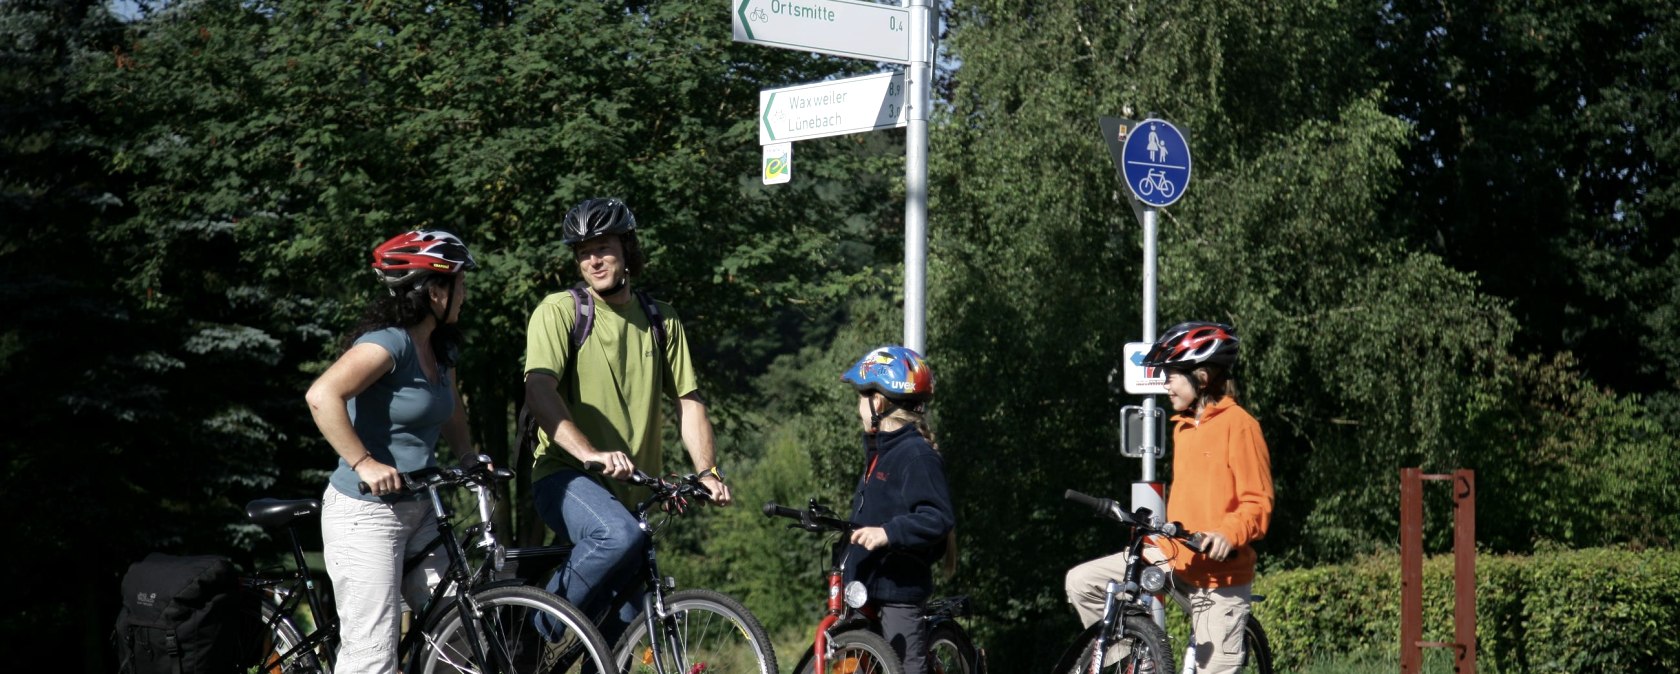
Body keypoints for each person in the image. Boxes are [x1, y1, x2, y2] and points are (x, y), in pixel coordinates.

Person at [522, 197, 731, 643]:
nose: (593, 260)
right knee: (615, 535)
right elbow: (539, 390)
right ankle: (532, 631)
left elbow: (689, 403)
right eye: (582, 252)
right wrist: (590, 454)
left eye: (603, 247)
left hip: (633, 491)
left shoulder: (661, 320)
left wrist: (707, 472)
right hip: (566, 475)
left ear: (628, 248)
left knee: (626, 639)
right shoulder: (560, 311)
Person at [304, 230, 479, 672]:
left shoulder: (440, 348)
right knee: (373, 651)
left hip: (420, 505)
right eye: (461, 282)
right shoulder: (388, 343)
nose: (465, 292)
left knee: (455, 629)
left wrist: (468, 456)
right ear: (436, 291)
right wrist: (364, 462)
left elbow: (451, 408)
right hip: (366, 512)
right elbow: (322, 396)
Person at [1064, 321, 1273, 674]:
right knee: (1083, 583)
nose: (1165, 384)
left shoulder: (1241, 426)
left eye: (1172, 375)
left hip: (1218, 579)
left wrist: (1227, 534)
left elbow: (1258, 502)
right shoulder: (1183, 428)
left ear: (1202, 377)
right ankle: (1134, 662)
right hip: (1173, 557)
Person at [840, 346, 956, 674]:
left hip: (898, 592)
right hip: (864, 586)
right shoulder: (880, 452)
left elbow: (938, 517)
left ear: (878, 402)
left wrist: (888, 533)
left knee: (906, 667)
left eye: (861, 396)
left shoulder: (916, 455)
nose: (857, 406)